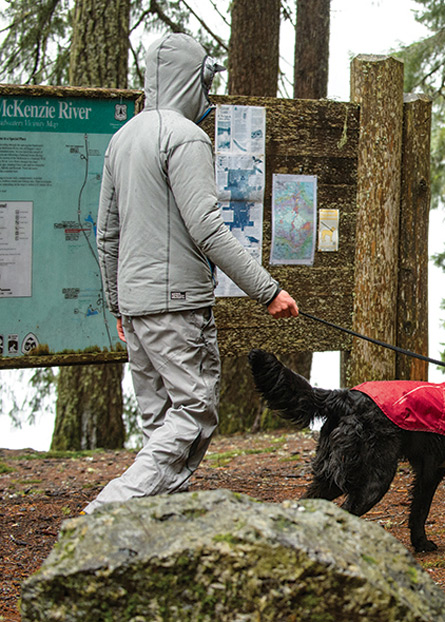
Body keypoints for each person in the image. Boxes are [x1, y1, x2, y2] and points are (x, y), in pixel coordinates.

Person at [83, 33, 298, 514]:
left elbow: (107, 237)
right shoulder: (185, 138)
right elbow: (208, 229)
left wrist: (118, 304)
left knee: (160, 422)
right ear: (195, 78)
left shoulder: (122, 139)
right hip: (178, 307)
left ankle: (154, 525)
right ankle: (108, 511)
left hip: (136, 310)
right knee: (194, 411)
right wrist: (268, 291)